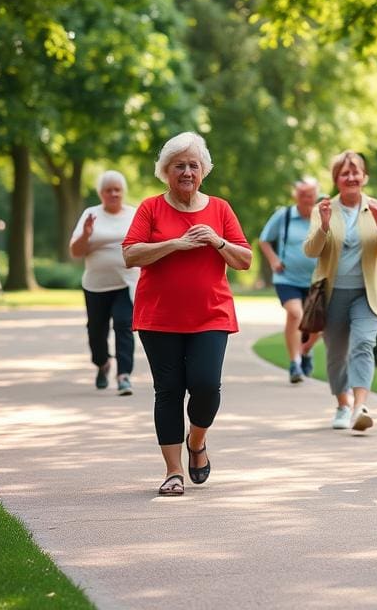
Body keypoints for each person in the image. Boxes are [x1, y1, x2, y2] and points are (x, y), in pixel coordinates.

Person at [122, 132, 252, 496]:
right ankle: (173, 472)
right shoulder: (150, 208)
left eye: (193, 165)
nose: (186, 172)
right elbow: (130, 254)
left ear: (203, 171)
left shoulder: (220, 209)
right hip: (158, 317)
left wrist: (217, 240)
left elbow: (244, 260)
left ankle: (197, 442)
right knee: (168, 392)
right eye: (179, 165)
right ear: (166, 171)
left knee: (206, 386)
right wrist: (174, 245)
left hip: (211, 315)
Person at [303, 151, 377, 431]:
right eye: (344, 173)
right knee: (336, 353)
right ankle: (342, 404)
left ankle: (360, 407)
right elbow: (310, 250)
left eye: (356, 172)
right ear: (336, 180)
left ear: (364, 176)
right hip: (331, 295)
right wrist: (322, 226)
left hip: (366, 294)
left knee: (363, 344)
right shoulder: (323, 209)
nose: (351, 177)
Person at [69, 171, 140, 395]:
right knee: (96, 332)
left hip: (126, 283)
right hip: (96, 286)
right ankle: (103, 364)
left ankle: (124, 375)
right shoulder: (91, 214)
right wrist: (86, 235)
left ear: (123, 192)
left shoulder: (134, 214)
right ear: (101, 193)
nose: (113, 194)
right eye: (108, 190)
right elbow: (75, 252)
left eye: (117, 189)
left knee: (124, 325)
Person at [258, 177, 322, 383]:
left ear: (316, 195)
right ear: (296, 195)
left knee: (318, 325)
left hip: (316, 279)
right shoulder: (284, 215)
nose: (306, 199)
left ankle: (305, 351)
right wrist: (274, 260)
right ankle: (295, 364)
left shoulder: (323, 216)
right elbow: (264, 240)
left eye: (310, 195)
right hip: (287, 278)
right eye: (302, 195)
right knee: (296, 314)